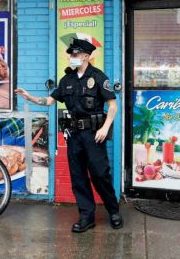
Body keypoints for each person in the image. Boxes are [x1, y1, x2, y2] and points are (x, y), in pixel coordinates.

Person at [15, 38, 122, 233]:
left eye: (76, 54)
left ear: (86, 56)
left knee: (100, 174)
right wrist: (30, 97)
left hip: (94, 134)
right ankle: (86, 216)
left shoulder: (98, 77)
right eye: (71, 54)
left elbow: (113, 106)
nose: (72, 57)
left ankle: (113, 210)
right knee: (78, 176)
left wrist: (105, 128)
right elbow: (49, 101)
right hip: (74, 134)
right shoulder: (67, 80)